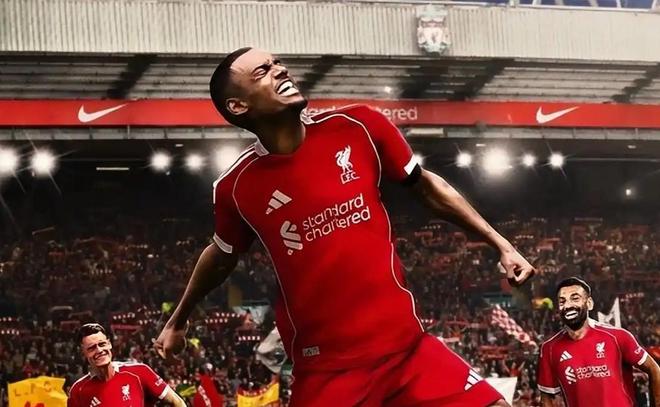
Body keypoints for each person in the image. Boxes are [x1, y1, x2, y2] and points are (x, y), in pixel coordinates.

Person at [155, 47, 535, 406]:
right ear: (239, 105)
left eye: (277, 63)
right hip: (328, 373)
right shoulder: (236, 187)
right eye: (262, 71)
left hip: (408, 350)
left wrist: (501, 244)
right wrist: (178, 320)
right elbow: (222, 255)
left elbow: (424, 186)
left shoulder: (359, 125)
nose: (280, 70)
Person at [537, 277, 660, 407]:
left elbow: (654, 369)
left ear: (589, 303)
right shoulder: (549, 349)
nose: (568, 305)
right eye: (562, 301)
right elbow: (547, 399)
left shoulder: (617, 336)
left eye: (575, 298)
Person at [67, 323, 185, 407]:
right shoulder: (78, 391)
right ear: (83, 353)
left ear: (109, 344)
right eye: (92, 348)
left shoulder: (140, 372)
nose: (99, 350)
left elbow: (177, 402)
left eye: (102, 344)